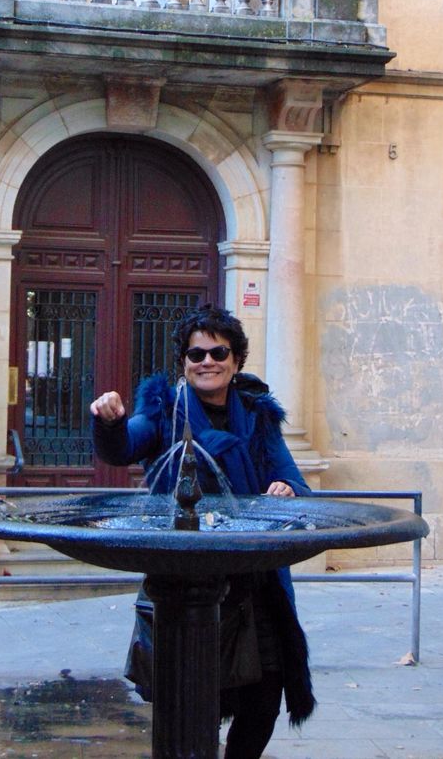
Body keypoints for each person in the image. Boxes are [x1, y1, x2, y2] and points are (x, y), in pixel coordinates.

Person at [90, 304, 315, 759]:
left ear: (236, 360)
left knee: (264, 700)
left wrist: (285, 488)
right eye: (196, 354)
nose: (207, 362)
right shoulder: (164, 410)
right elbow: (123, 446)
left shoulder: (257, 414)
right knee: (194, 699)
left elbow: (295, 481)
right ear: (184, 362)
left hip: (254, 580)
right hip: (187, 581)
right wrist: (109, 423)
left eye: (218, 352)